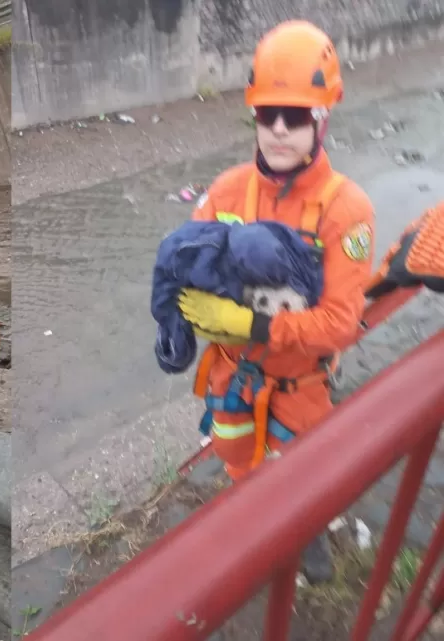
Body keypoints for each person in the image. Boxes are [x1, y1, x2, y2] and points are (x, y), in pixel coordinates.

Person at [173, 21, 376, 583]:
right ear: (254, 116)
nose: (280, 130)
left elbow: (338, 325)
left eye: (296, 116)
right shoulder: (228, 191)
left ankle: (306, 533)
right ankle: (255, 519)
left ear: (322, 118)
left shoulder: (345, 210)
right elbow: (185, 260)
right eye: (268, 115)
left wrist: (248, 322)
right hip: (231, 380)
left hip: (300, 389)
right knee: (238, 461)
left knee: (307, 481)